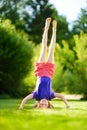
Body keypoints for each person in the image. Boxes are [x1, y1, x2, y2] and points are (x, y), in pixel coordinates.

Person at [19, 17, 70, 109]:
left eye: (41, 104)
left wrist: (22, 106)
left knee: (44, 48)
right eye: (45, 105)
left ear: (37, 104)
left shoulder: (36, 95)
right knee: (51, 49)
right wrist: (67, 105)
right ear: (49, 104)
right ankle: (54, 30)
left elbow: (25, 99)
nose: (43, 103)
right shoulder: (50, 95)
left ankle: (46, 27)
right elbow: (62, 96)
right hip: (49, 72)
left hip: (40, 71)